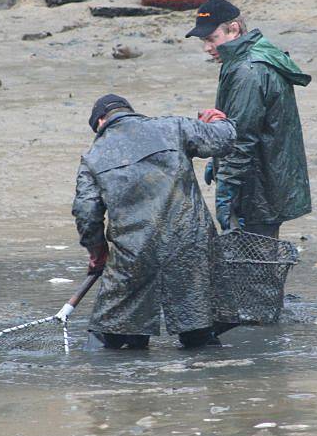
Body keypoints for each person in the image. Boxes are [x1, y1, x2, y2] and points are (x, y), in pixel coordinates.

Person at [72, 94, 236, 350]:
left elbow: (86, 213)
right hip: (190, 242)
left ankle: (109, 377)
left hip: (133, 251)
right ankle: (211, 379)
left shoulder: (93, 157)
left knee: (110, 332)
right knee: (198, 328)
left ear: (101, 121)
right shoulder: (173, 127)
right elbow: (224, 139)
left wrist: (97, 252)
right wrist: (217, 119)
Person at [186, 0, 312, 239]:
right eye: (203, 41)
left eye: (211, 39)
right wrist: (218, 158)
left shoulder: (248, 71)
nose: (207, 48)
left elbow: (242, 136)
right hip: (263, 177)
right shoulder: (241, 59)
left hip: (259, 185)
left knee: (257, 259)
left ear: (233, 29)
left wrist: (226, 189)